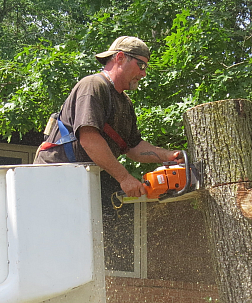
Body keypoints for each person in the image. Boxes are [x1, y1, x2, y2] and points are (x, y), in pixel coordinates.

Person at [34, 36, 182, 197]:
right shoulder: (93, 86)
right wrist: (125, 178)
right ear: (120, 57)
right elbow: (89, 139)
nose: (143, 73)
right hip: (52, 175)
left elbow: (133, 147)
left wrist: (167, 156)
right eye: (141, 65)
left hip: (77, 177)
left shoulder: (124, 102)